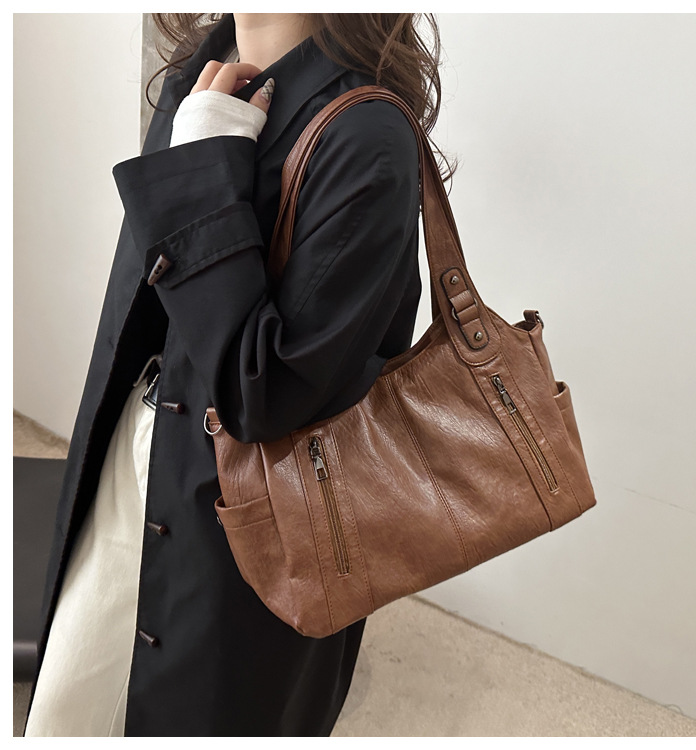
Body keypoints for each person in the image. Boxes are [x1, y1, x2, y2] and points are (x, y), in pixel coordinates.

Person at [23, 12, 456, 736]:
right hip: (134, 446)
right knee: (65, 713)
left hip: (244, 517)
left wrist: (205, 164)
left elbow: (267, 395)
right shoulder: (204, 66)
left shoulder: (365, 136)